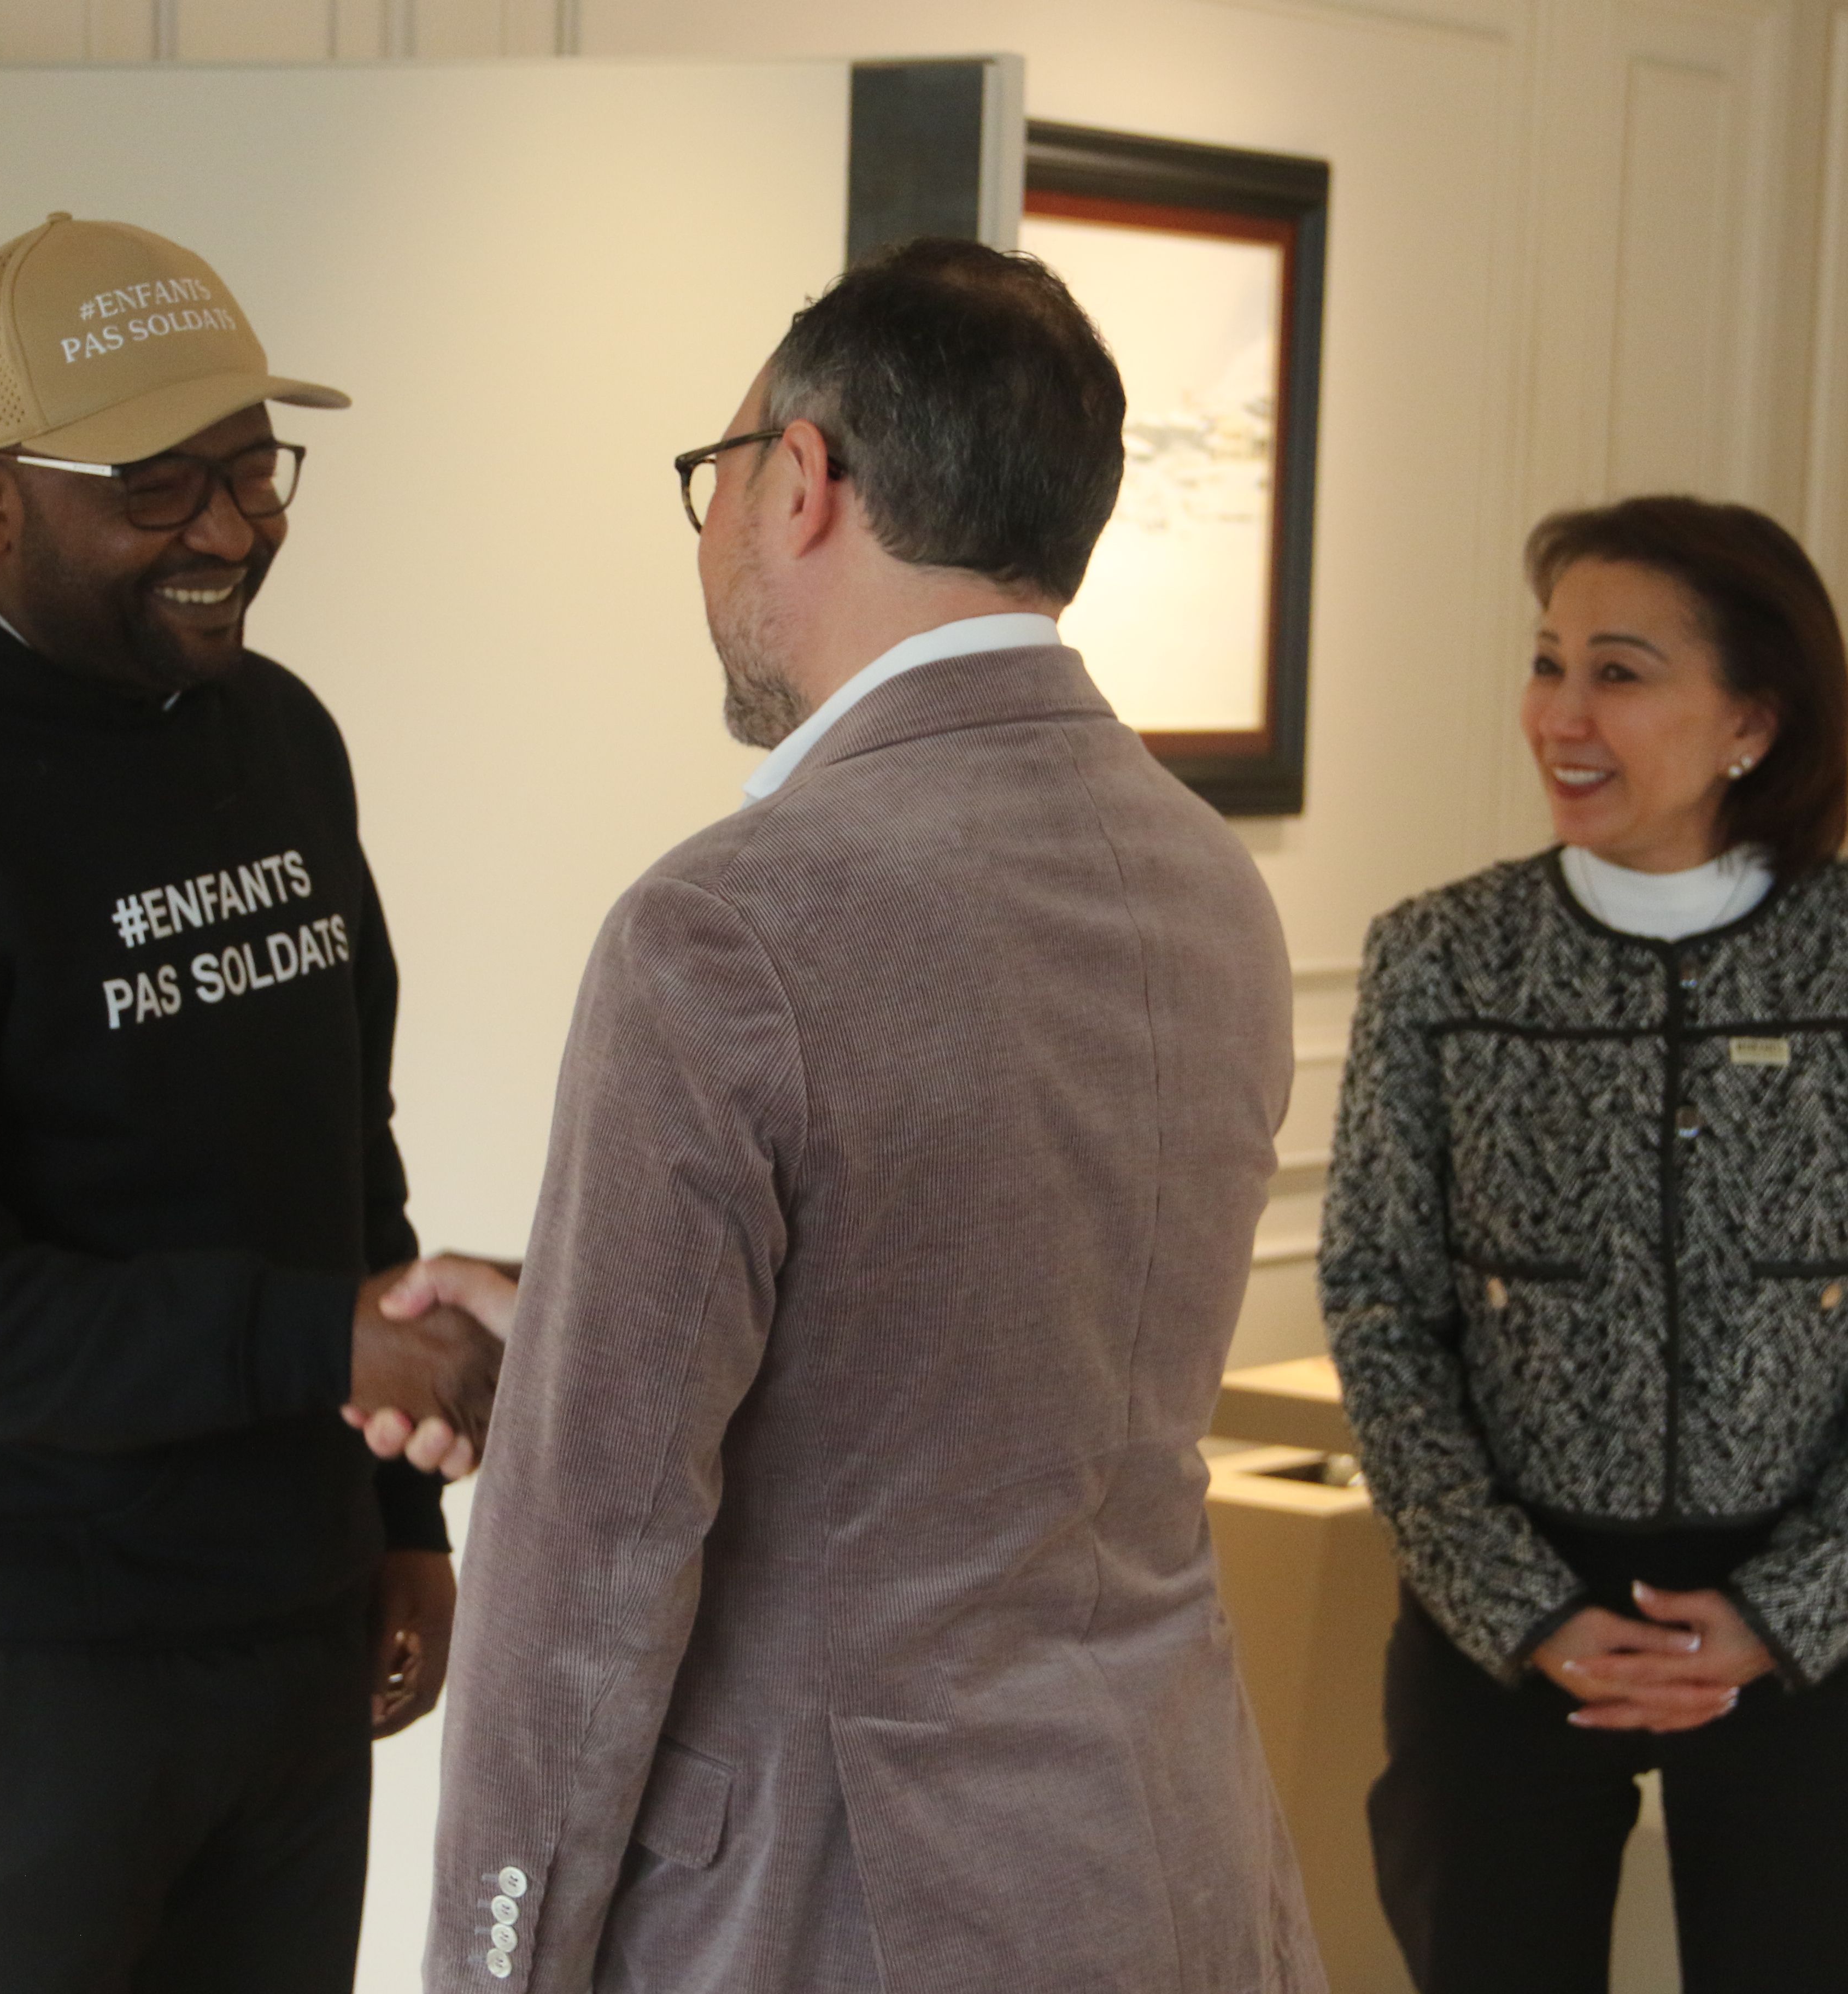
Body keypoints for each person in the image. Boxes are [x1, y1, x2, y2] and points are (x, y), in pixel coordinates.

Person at [388, 238, 1323, 1993]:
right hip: (1173, 1860)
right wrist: (589, 1323)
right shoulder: (1206, 883)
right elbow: (992, 1357)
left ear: (801, 481)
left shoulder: (728, 926)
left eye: (717, 477)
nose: (712, 534)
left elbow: (585, 1579)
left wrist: (491, 1966)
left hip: (839, 1909)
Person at [0, 213, 504, 1994]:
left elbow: (334, 1149)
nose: (233, 528)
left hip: (282, 1621)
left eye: (251, 466)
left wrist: (393, 1519)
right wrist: (323, 1345)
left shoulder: (276, 734)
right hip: (3, 1656)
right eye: (157, 483)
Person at [1318, 496, 1848, 1992]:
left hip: (1810, 1629)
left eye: (1619, 674)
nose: (1560, 715)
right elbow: (1380, 1304)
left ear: (1752, 719)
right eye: (1548, 663)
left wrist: (1788, 1614)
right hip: (1500, 1621)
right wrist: (1524, 1610)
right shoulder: (1441, 958)